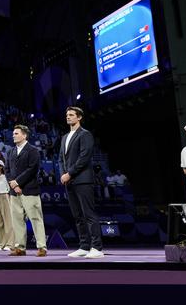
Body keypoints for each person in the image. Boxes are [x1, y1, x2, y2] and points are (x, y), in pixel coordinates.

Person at [60, 107, 103, 258]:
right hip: (69, 181)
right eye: (67, 115)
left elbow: (84, 157)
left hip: (83, 180)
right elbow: (61, 159)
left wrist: (69, 173)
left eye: (71, 115)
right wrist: (63, 174)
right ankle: (84, 246)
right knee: (77, 216)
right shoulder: (65, 137)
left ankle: (97, 247)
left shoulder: (85, 134)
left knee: (88, 214)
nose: (68, 117)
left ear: (79, 117)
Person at [7, 125, 47, 256]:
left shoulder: (33, 150)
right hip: (14, 192)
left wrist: (17, 182)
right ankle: (20, 247)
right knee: (17, 220)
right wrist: (14, 185)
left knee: (35, 219)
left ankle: (42, 247)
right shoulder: (11, 151)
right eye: (13, 133)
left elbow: (32, 169)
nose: (13, 135)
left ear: (24, 135)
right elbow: (7, 170)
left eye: (16, 133)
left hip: (29, 190)